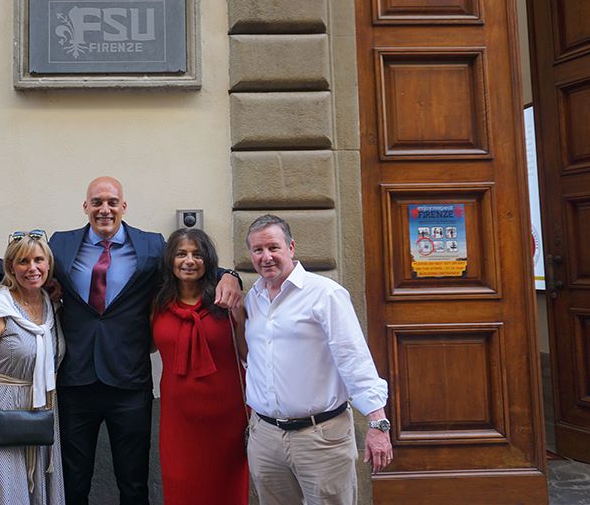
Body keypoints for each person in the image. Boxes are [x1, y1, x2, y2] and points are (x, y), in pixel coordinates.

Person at [46, 176, 242, 505]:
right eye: (97, 203)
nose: (104, 209)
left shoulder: (151, 246)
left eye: (112, 202)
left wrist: (231, 275)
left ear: (124, 206)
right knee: (73, 481)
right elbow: (24, 266)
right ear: (85, 207)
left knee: (134, 482)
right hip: (76, 381)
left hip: (129, 382)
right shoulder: (60, 245)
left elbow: (193, 265)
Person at [242, 214, 393, 505]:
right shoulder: (253, 299)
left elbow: (354, 358)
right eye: (258, 250)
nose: (266, 257)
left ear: (291, 247)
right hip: (266, 438)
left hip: (320, 438)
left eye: (273, 247)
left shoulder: (325, 294)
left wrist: (378, 423)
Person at [0, 230, 66, 505]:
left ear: (49, 265)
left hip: (40, 413)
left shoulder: (51, 305)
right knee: (3, 493)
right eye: (23, 261)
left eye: (39, 260)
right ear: (10, 267)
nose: (32, 268)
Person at [151, 228, 249, 505]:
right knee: (181, 487)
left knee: (226, 490)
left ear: (209, 261)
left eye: (197, 254)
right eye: (181, 254)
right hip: (178, 420)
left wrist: (232, 277)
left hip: (227, 419)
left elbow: (247, 353)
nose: (189, 261)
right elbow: (146, 346)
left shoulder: (229, 302)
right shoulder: (158, 304)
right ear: (171, 260)